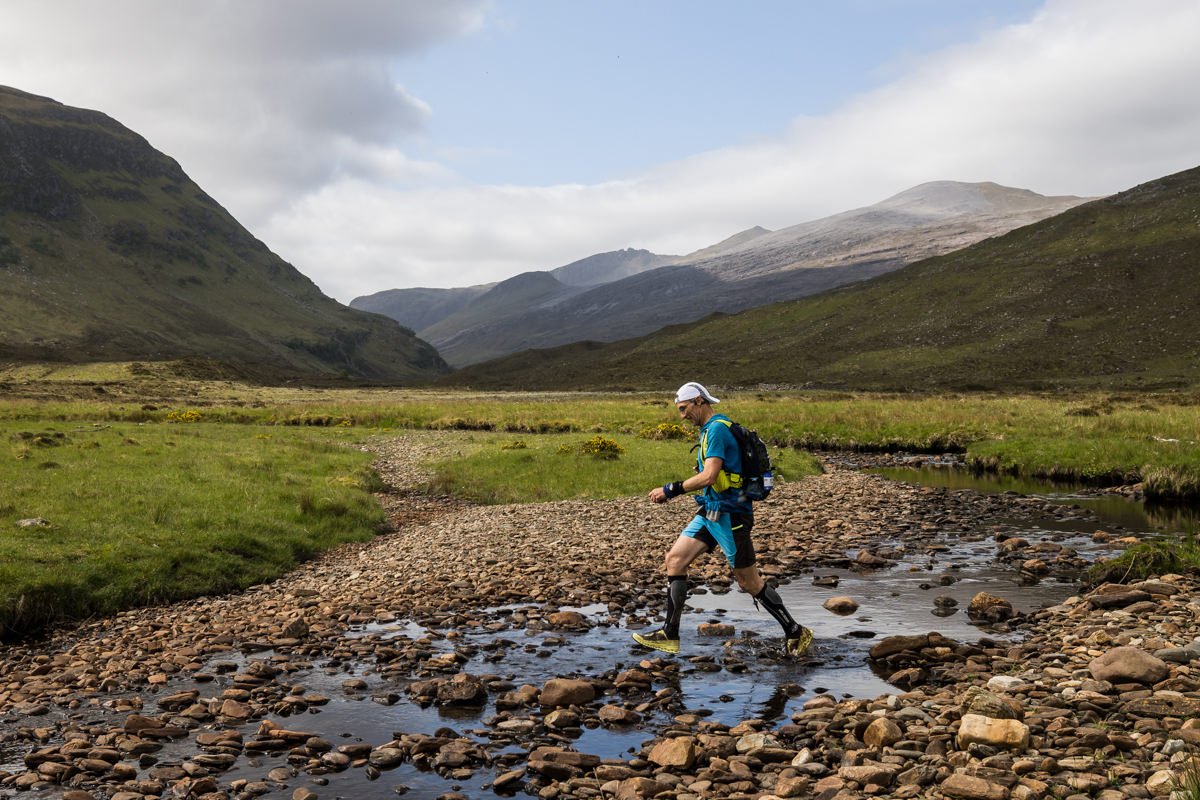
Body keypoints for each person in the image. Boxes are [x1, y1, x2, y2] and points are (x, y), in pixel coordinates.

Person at [633, 381, 814, 657]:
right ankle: (669, 634)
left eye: (684, 409)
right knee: (675, 560)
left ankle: (796, 632)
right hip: (710, 510)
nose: (682, 416)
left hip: (732, 515)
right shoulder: (711, 430)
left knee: (749, 583)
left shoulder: (717, 429)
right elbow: (714, 473)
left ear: (698, 401)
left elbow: (709, 477)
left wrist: (670, 490)